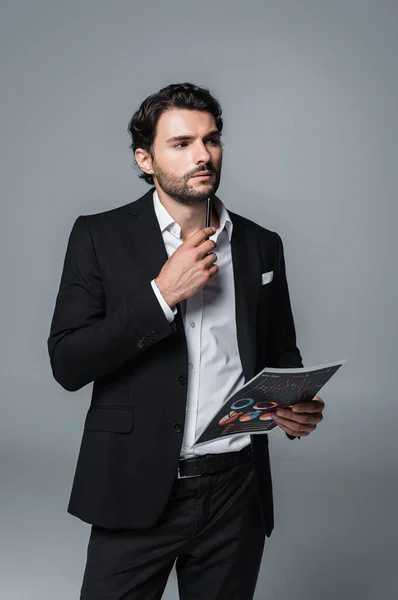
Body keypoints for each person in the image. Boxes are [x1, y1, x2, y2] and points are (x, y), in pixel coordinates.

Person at [47, 82, 325, 600]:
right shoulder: (98, 236)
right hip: (135, 483)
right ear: (145, 158)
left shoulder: (262, 244)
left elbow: (280, 352)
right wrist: (160, 296)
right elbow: (67, 361)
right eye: (181, 143)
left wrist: (295, 408)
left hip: (235, 489)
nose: (203, 155)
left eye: (211, 139)